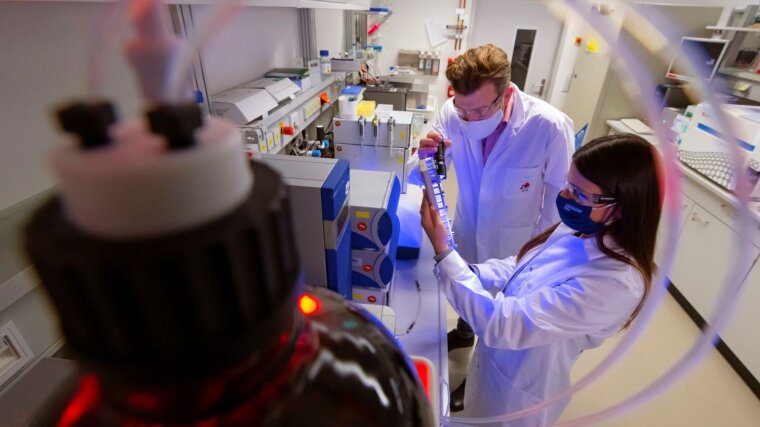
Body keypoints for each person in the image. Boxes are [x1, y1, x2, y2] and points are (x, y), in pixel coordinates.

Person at [421, 134, 662, 425]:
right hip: (493, 365)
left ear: (623, 207)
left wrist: (444, 254)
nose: (566, 198)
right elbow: (521, 267)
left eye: (581, 195)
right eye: (568, 186)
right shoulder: (581, 228)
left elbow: (503, 325)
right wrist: (471, 272)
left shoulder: (617, 282)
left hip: (520, 392)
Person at [409, 43, 574, 410]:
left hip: (518, 244)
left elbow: (560, 202)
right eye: (462, 109)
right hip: (468, 227)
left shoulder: (548, 126)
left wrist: (539, 258)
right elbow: (429, 173)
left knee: (499, 321)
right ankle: (465, 332)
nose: (469, 119)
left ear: (507, 93)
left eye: (481, 109)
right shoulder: (454, 113)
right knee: (468, 290)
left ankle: (473, 380)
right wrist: (424, 155)